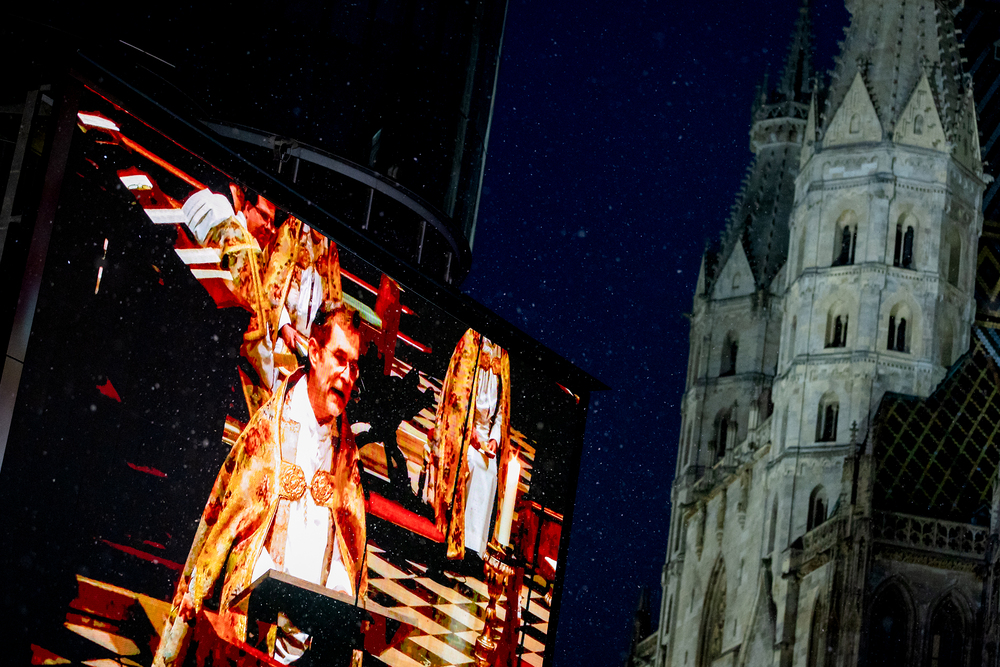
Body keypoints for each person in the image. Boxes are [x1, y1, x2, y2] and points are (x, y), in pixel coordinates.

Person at [153, 301, 367, 667]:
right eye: (339, 358)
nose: (347, 375)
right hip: (258, 625)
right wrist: (272, 592)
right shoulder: (269, 433)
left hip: (313, 639)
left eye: (354, 365)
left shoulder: (347, 454)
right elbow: (229, 529)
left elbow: (349, 552)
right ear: (314, 352)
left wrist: (336, 600)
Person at [422, 329, 513, 559]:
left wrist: (494, 439)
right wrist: (469, 432)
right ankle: (454, 541)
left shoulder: (503, 355)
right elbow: (458, 398)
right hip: (462, 430)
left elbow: (502, 409)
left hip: (485, 435)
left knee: (491, 471)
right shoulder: (471, 342)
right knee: (471, 461)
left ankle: (474, 549)